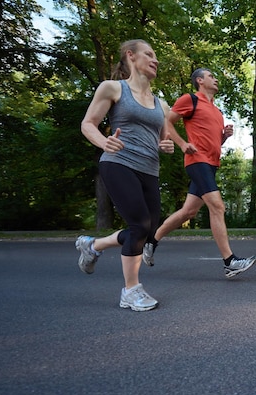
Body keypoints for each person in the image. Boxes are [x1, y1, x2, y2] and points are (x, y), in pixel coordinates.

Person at [76, 39, 175, 311]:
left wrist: (166, 145)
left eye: (156, 56)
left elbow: (164, 140)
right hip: (118, 162)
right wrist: (103, 142)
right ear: (131, 56)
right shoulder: (113, 88)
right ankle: (131, 291)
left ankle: (93, 245)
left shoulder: (160, 105)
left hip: (149, 170)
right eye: (149, 54)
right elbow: (88, 124)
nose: (155, 60)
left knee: (147, 229)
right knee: (141, 225)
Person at [142, 68, 256, 279]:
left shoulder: (218, 112)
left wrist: (225, 137)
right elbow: (167, 121)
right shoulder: (190, 99)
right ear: (200, 80)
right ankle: (230, 262)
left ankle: (152, 240)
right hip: (196, 161)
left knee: (188, 212)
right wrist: (183, 144)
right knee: (217, 206)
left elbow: (214, 142)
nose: (216, 79)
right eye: (211, 76)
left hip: (211, 164)